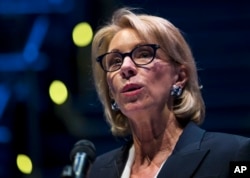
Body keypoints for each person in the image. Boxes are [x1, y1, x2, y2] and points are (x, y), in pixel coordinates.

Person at [87, 7, 250, 178]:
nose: (126, 68)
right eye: (115, 61)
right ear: (111, 92)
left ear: (179, 77)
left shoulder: (233, 156)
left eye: (143, 54)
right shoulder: (98, 171)